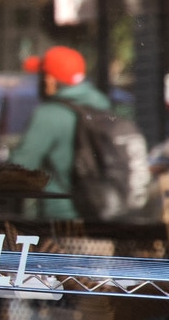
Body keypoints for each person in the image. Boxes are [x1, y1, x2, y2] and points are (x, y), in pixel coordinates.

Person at [9, 45, 112, 220]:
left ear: (49, 80)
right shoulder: (102, 105)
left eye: (41, 76)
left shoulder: (48, 115)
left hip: (60, 224)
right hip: (100, 216)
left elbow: (18, 168)